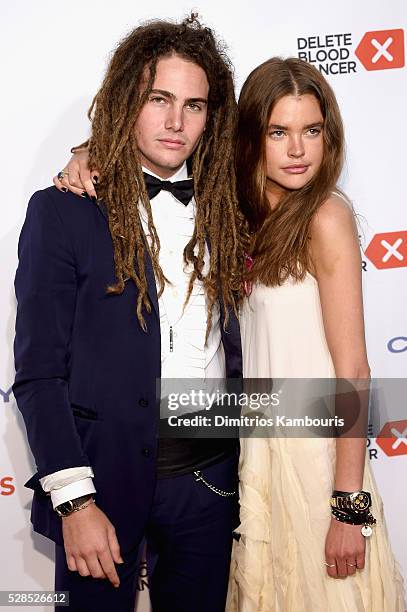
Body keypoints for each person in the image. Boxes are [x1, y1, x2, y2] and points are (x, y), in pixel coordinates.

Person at [13, 15, 247, 612]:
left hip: (211, 481)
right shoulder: (64, 210)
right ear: (127, 102)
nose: (176, 122)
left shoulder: (231, 206)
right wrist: (75, 502)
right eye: (158, 99)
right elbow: (40, 372)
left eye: (194, 105)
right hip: (102, 484)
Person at [225, 57, 406, 611]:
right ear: (254, 136)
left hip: (318, 462)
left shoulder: (325, 217)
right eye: (279, 132)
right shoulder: (239, 217)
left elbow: (354, 370)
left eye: (312, 131)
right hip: (259, 453)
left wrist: (348, 504)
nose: (298, 150)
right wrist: (84, 155)